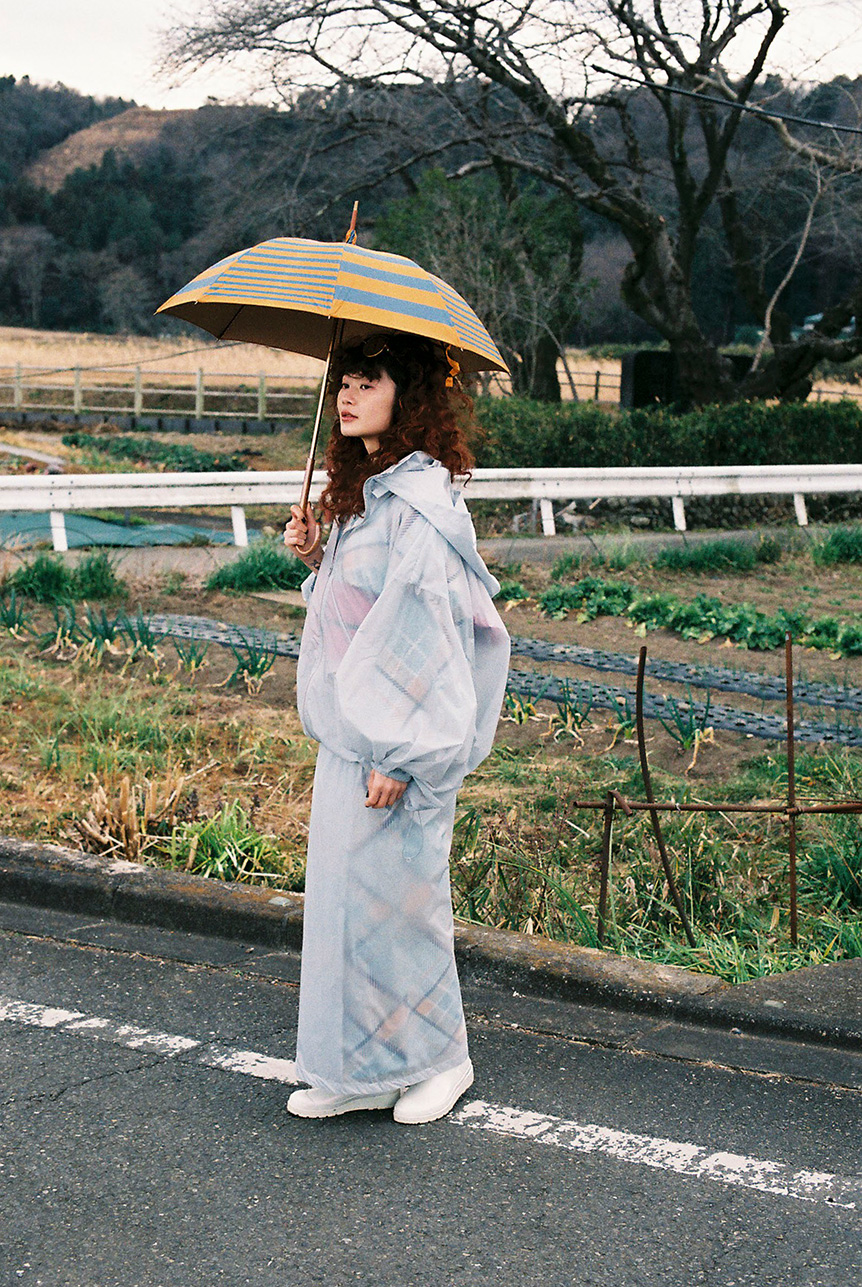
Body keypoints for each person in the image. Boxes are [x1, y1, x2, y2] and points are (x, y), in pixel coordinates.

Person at [283, 332, 510, 1124]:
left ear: (405, 396)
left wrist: (404, 755)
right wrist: (317, 557)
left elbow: (430, 633)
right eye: (344, 381)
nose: (347, 394)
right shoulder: (367, 490)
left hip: (398, 750)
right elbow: (358, 615)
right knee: (350, 907)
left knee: (406, 908)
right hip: (353, 739)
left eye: (367, 380)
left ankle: (445, 1058)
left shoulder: (420, 499)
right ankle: (367, 1068)